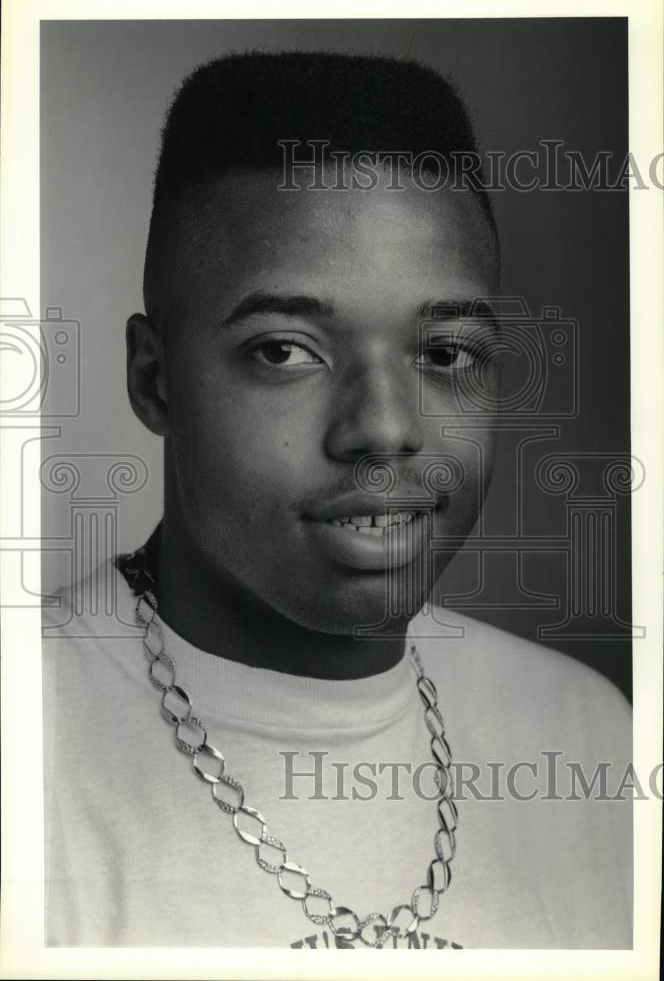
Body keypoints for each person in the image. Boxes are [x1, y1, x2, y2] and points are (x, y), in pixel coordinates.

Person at [42, 50, 632, 949]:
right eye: (285, 351)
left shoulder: (588, 734)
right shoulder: (31, 747)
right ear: (154, 381)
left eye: (444, 354)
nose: (383, 428)